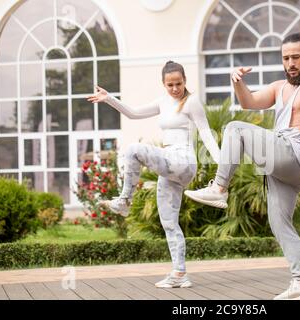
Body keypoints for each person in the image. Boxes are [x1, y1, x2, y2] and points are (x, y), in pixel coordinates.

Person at [184, 32, 300, 300]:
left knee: (235, 128)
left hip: (291, 155)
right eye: (286, 58)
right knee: (280, 225)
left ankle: (219, 188)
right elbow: (249, 102)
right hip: (283, 168)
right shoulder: (280, 86)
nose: (290, 63)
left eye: (295, 57)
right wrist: (238, 83)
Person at [87, 61, 220, 289]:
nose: (175, 88)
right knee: (169, 222)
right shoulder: (162, 102)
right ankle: (180, 274)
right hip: (168, 167)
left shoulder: (192, 102)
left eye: (178, 83)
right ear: (163, 84)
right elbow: (133, 113)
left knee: (133, 150)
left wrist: (222, 165)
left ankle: (124, 201)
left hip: (183, 161)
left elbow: (206, 134)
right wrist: (109, 98)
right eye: (170, 84)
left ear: (185, 81)